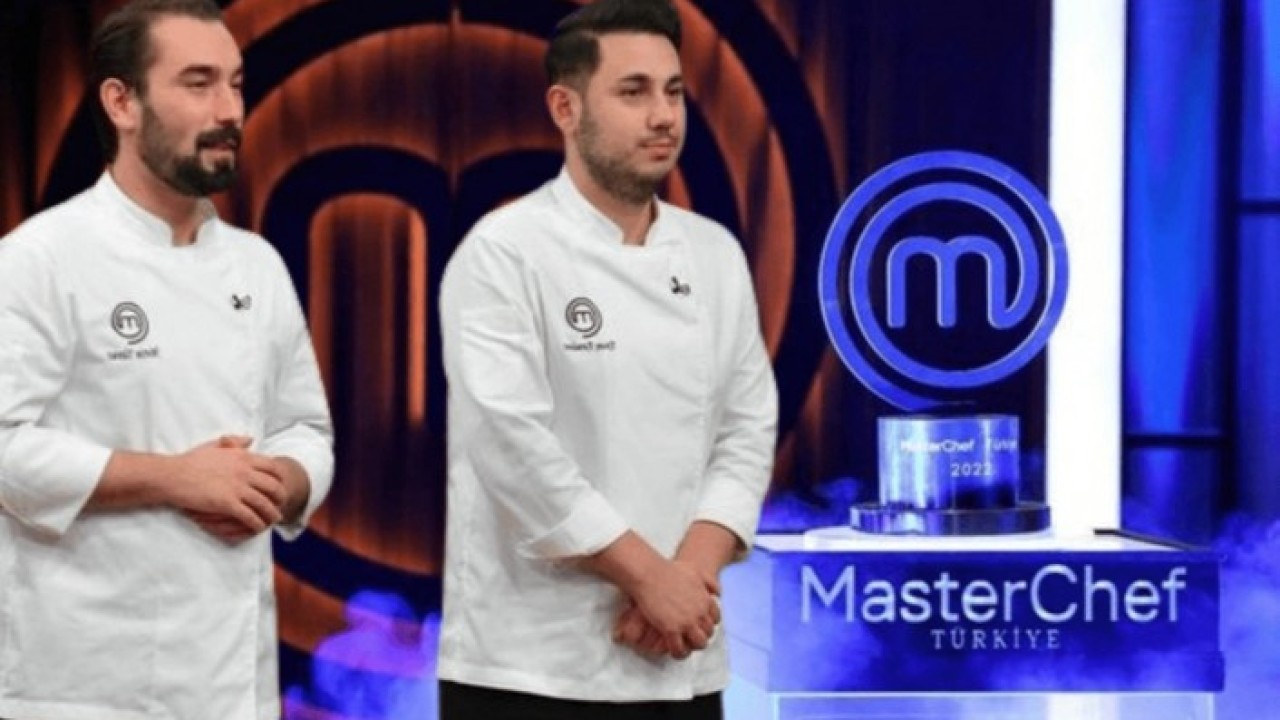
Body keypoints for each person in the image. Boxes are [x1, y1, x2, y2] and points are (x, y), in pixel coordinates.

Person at [436, 0, 778, 717]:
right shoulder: (503, 251)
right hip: (531, 667)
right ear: (565, 108)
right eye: (633, 92)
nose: (664, 116)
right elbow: (512, 448)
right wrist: (648, 578)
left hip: (681, 650)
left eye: (673, 92)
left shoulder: (714, 253)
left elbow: (747, 431)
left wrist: (688, 578)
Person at [0, 1, 333, 718]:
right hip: (83, 684)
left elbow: (307, 428)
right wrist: (178, 478)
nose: (229, 110)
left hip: (233, 681)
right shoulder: (39, 259)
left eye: (236, 84)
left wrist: (281, 482)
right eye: (198, 83)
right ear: (121, 102)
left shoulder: (257, 264)